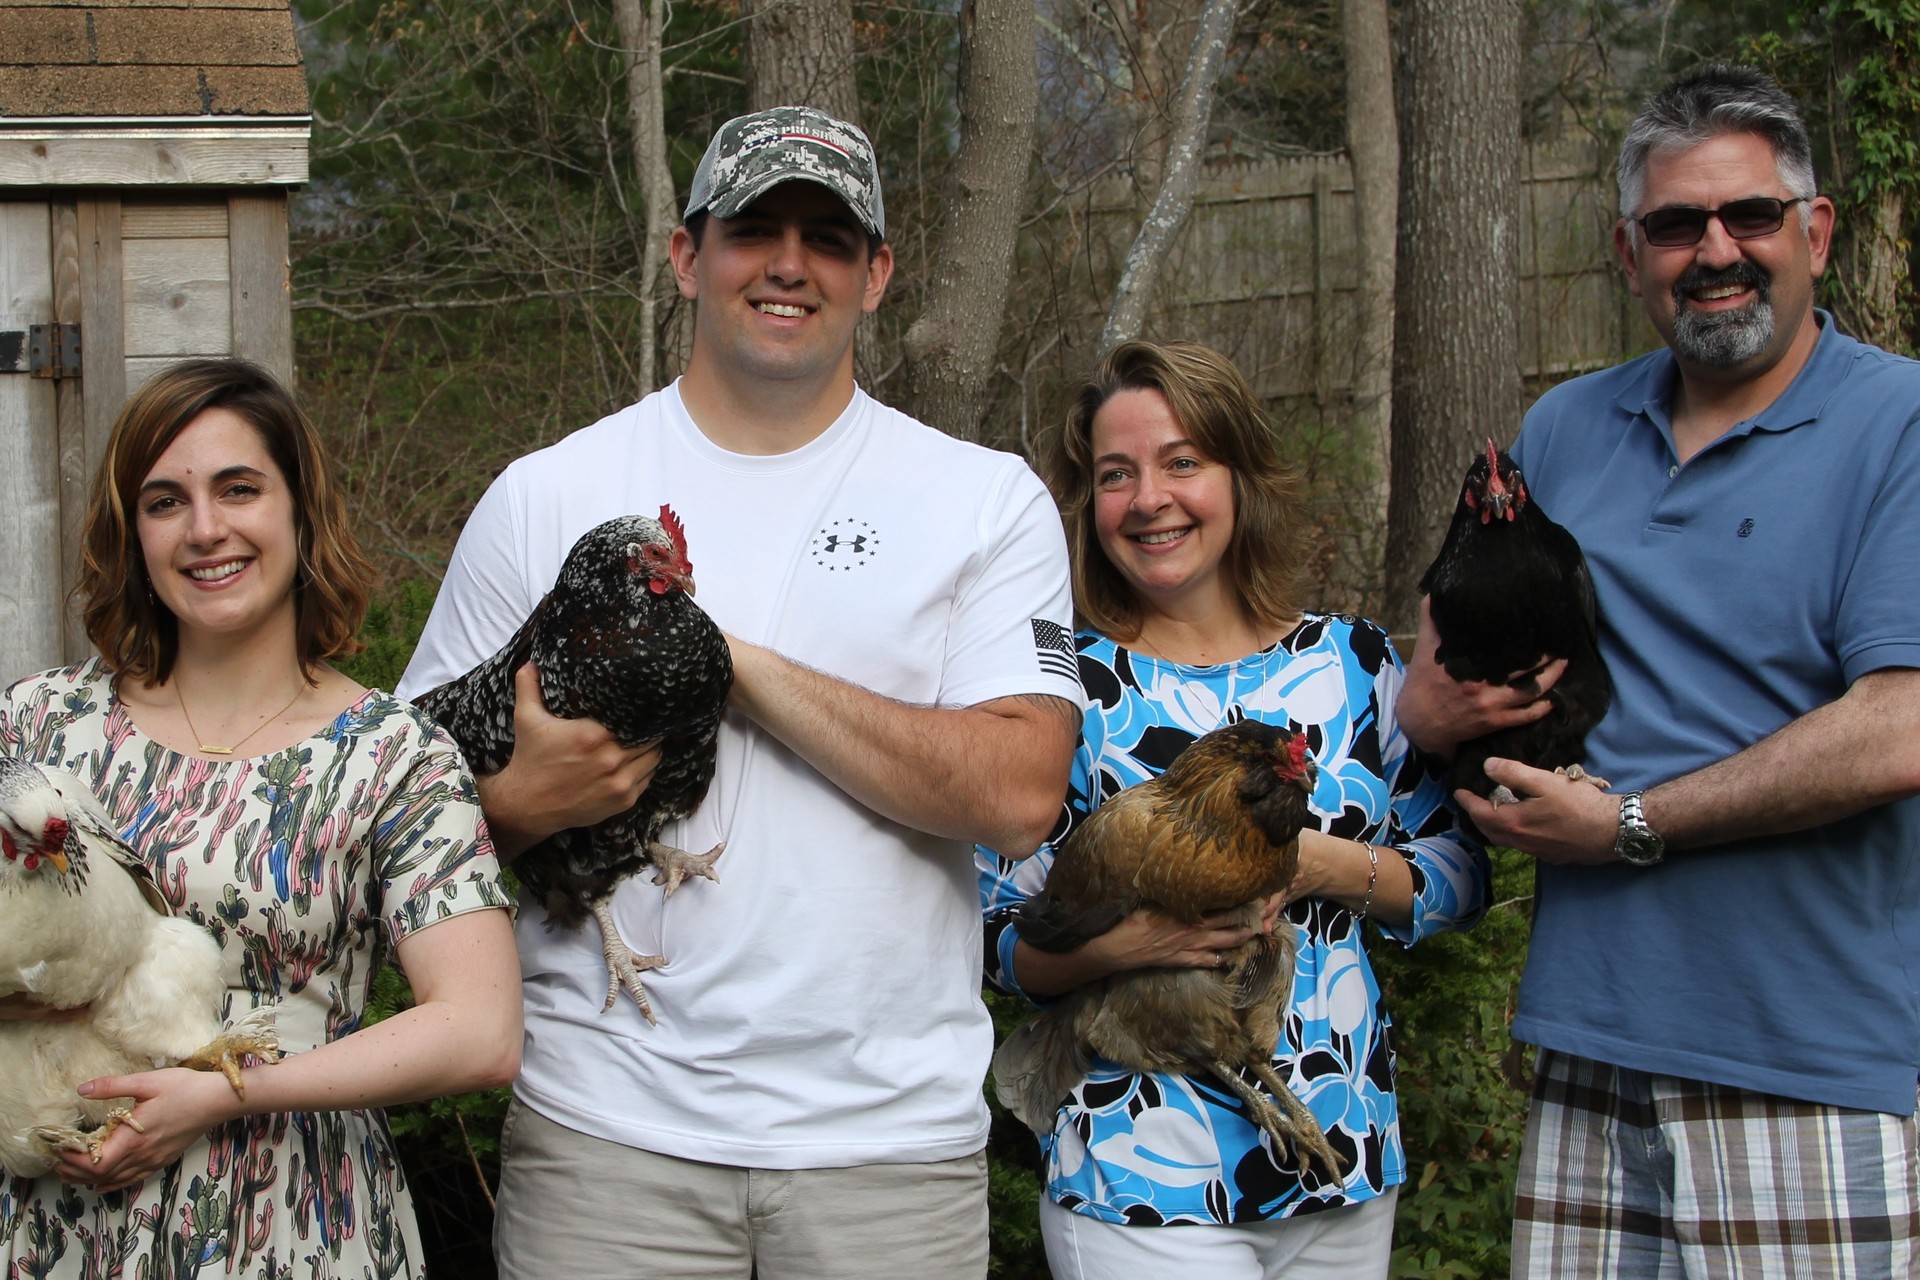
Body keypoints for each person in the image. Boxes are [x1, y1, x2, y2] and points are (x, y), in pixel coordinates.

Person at [396, 106, 1082, 1280]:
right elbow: (402, 807)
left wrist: (727, 664)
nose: (787, 263)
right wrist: (521, 802)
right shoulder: (544, 493)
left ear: (876, 275)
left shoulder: (985, 500)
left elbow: (1020, 792)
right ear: (686, 255)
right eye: (754, 228)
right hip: (608, 1139)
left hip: (885, 1151)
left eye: (827, 237)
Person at [1397, 65, 1920, 1277]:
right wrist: (1424, 709)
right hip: (1588, 1044)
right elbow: (1449, 655)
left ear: (1818, 232)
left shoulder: (1897, 427)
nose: (1716, 252)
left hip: (1802, 1055)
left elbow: (1899, 725)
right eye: (1678, 226)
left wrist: (1632, 822)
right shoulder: (1566, 433)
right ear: (1630, 252)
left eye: (1751, 216)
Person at [976, 340, 1489, 1279]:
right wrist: (1130, 944)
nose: (1149, 499)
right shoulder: (1063, 686)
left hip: (1341, 1160)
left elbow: (1455, 879)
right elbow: (998, 935)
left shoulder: (1356, 665)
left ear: (1240, 475)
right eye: (1115, 475)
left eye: (1182, 462)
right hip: (1143, 1172)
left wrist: (1324, 866)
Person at [0, 358, 522, 1279]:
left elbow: (480, 1028)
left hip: (296, 1219)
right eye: (165, 502)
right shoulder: (38, 727)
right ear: (132, 534)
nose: (206, 530)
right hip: (58, 1224)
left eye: (238, 489)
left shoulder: (393, 754)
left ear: (299, 510)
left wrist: (226, 1094)